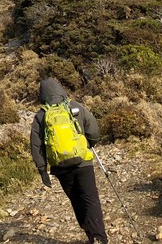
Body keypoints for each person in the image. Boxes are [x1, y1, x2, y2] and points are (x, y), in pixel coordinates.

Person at [30, 77, 108, 244]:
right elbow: (93, 130)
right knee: (90, 198)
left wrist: (42, 169)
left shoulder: (41, 116)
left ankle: (89, 233)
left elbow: (36, 146)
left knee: (75, 199)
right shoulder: (75, 107)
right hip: (83, 162)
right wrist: (88, 144)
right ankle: (98, 237)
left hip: (61, 168)